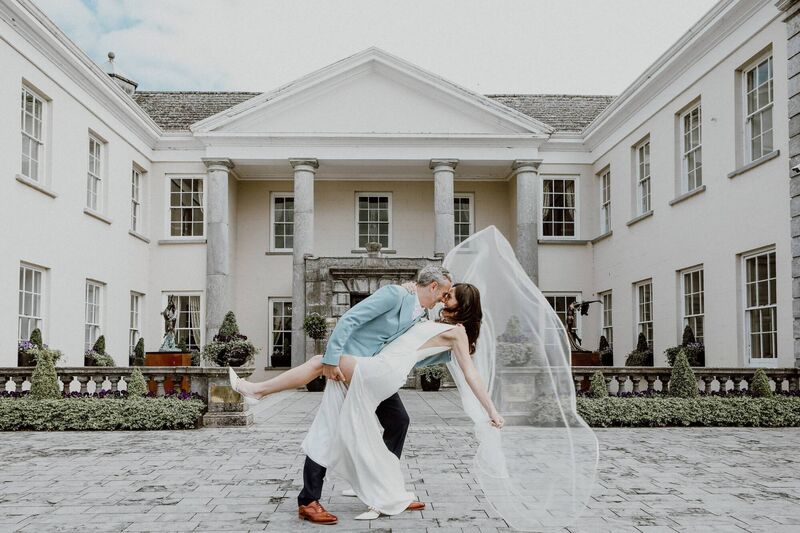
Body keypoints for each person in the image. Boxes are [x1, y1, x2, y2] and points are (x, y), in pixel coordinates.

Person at [230, 282, 502, 521]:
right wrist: (409, 288)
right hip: (380, 369)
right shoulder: (424, 314)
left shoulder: (457, 332)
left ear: (463, 306)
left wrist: (491, 409)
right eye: (445, 292)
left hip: (381, 371)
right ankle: (382, 491)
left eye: (450, 296)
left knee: (320, 363)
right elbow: (410, 333)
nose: (444, 298)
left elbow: (470, 374)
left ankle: (258, 390)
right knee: (395, 421)